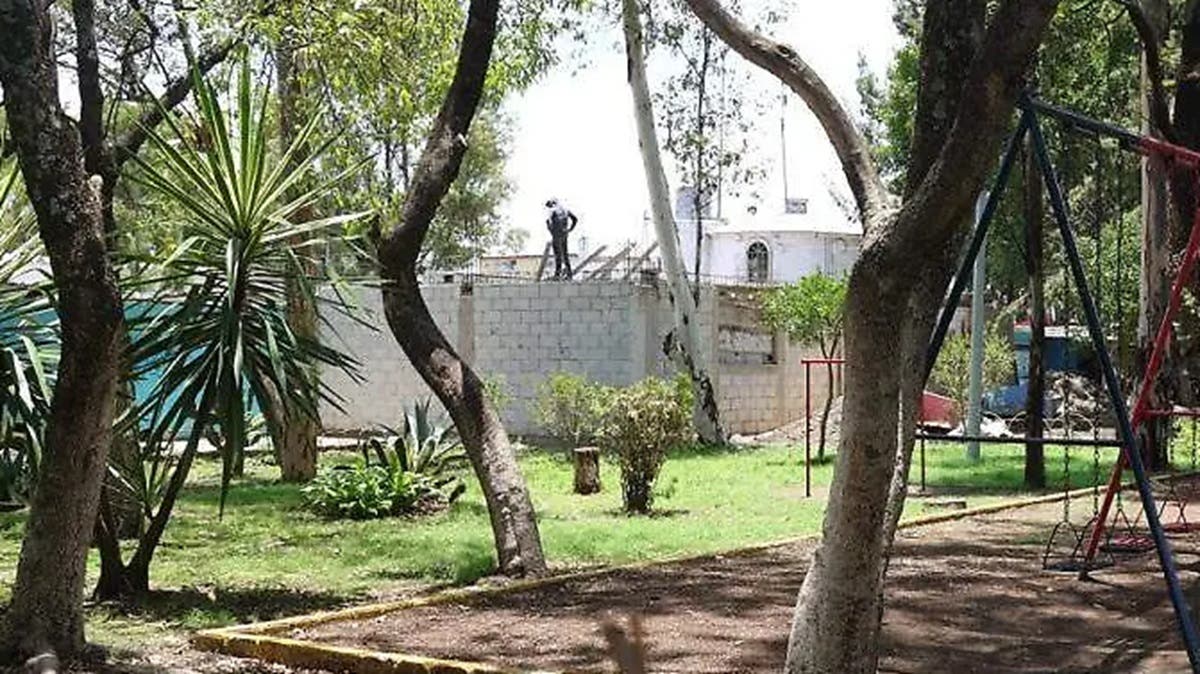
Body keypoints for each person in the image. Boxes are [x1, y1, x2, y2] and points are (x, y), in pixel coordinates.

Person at [545, 198, 578, 280]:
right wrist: (570, 229)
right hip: (564, 234)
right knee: (565, 254)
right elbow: (575, 219)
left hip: (556, 235)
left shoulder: (552, 211)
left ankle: (557, 274)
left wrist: (551, 231)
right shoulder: (565, 210)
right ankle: (569, 274)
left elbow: (549, 224)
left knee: (558, 255)